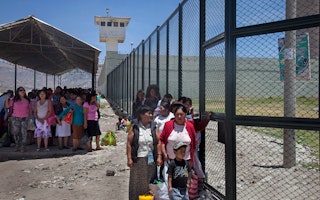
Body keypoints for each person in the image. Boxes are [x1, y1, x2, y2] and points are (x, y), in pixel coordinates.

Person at [126, 105, 159, 200]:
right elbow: (129, 143)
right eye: (148, 113)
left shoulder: (153, 127)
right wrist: (129, 158)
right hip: (138, 159)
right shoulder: (135, 127)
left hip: (150, 159)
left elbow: (159, 142)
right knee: (136, 183)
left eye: (151, 113)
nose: (150, 115)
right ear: (141, 115)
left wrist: (159, 156)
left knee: (148, 182)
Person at [158, 102, 196, 184]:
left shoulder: (190, 126)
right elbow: (162, 141)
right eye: (177, 114)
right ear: (174, 115)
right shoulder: (168, 125)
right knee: (169, 184)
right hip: (170, 161)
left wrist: (191, 161)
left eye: (181, 114)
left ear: (185, 114)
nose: (179, 117)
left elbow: (193, 144)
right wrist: (164, 154)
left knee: (183, 185)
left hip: (185, 162)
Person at [5, 87, 32, 152]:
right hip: (15, 118)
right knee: (16, 133)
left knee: (24, 133)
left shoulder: (27, 100)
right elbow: (7, 106)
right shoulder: (14, 100)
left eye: (23, 90)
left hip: (25, 118)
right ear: (17, 92)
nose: (22, 91)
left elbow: (30, 109)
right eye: (20, 90)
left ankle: (23, 147)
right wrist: (7, 99)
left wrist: (30, 118)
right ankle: (17, 145)